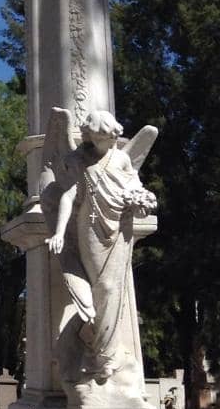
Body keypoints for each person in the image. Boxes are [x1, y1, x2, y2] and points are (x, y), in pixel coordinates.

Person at [45, 109, 156, 389]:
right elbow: (69, 196)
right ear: (93, 137)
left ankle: (104, 357)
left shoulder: (120, 158)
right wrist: (59, 232)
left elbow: (135, 186)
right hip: (90, 228)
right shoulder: (79, 159)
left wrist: (141, 200)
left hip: (119, 229)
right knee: (102, 289)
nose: (110, 142)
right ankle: (93, 349)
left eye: (111, 137)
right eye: (102, 138)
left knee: (112, 289)